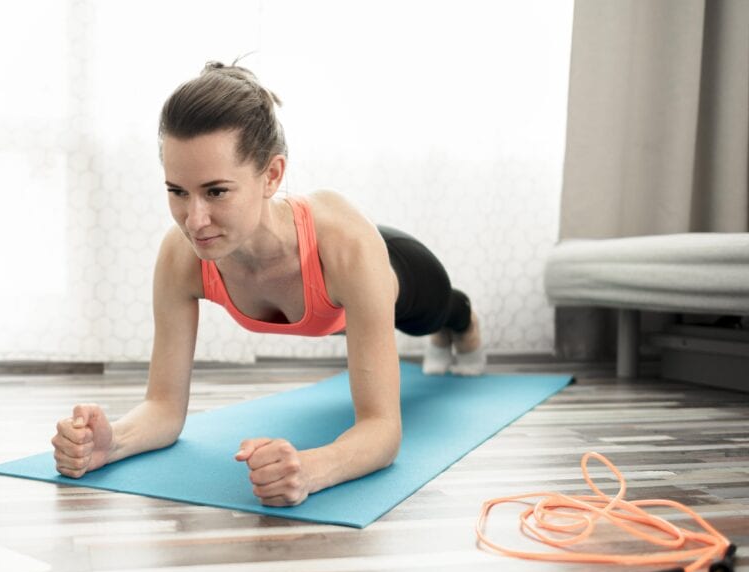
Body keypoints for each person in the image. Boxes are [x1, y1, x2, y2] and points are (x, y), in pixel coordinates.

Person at [51, 62, 485, 507]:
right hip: (338, 300)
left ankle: (465, 326)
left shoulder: (349, 245)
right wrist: (111, 443)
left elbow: (382, 430)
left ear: (272, 175)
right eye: (177, 192)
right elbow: (163, 408)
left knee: (436, 316)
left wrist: (311, 469)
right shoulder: (180, 257)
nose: (194, 221)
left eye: (216, 191)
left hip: (399, 269)